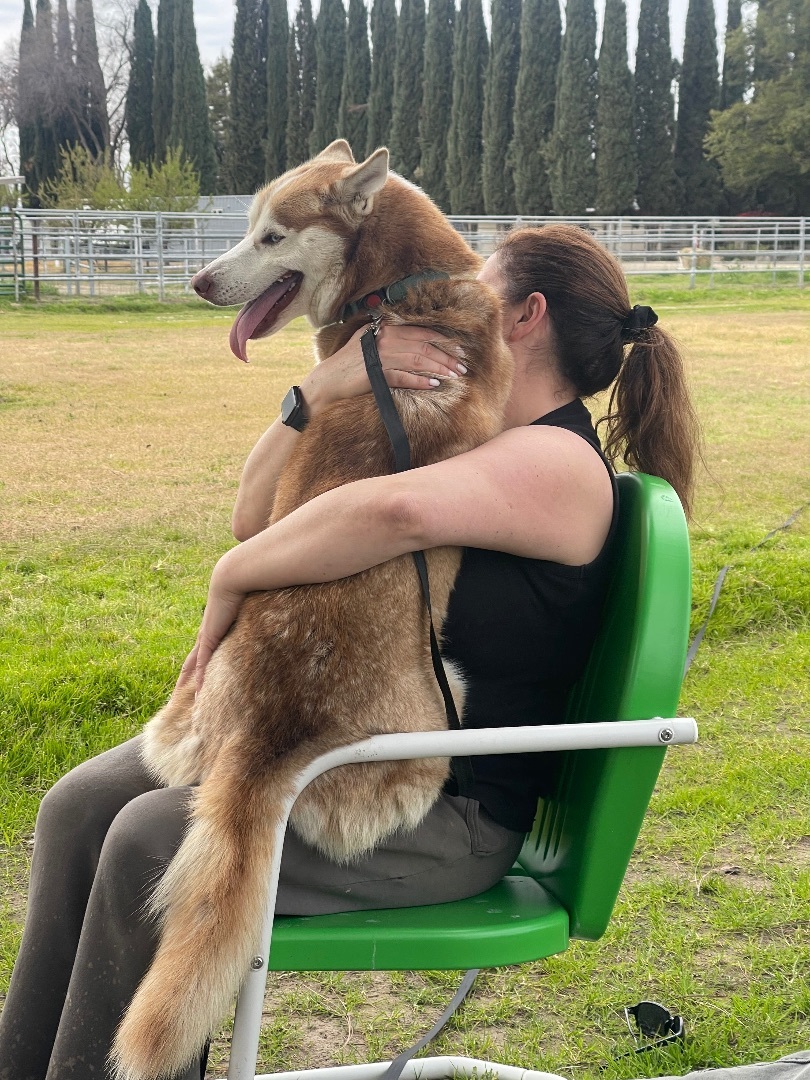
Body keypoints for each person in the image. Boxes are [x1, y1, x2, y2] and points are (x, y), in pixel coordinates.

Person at [0, 224, 699, 1079]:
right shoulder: (467, 435)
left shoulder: (557, 460)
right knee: (78, 807)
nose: (450, 304)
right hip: (350, 759)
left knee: (151, 839)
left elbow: (390, 514)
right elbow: (258, 518)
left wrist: (228, 580)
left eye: (477, 288)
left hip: (441, 812)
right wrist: (322, 384)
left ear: (525, 316)